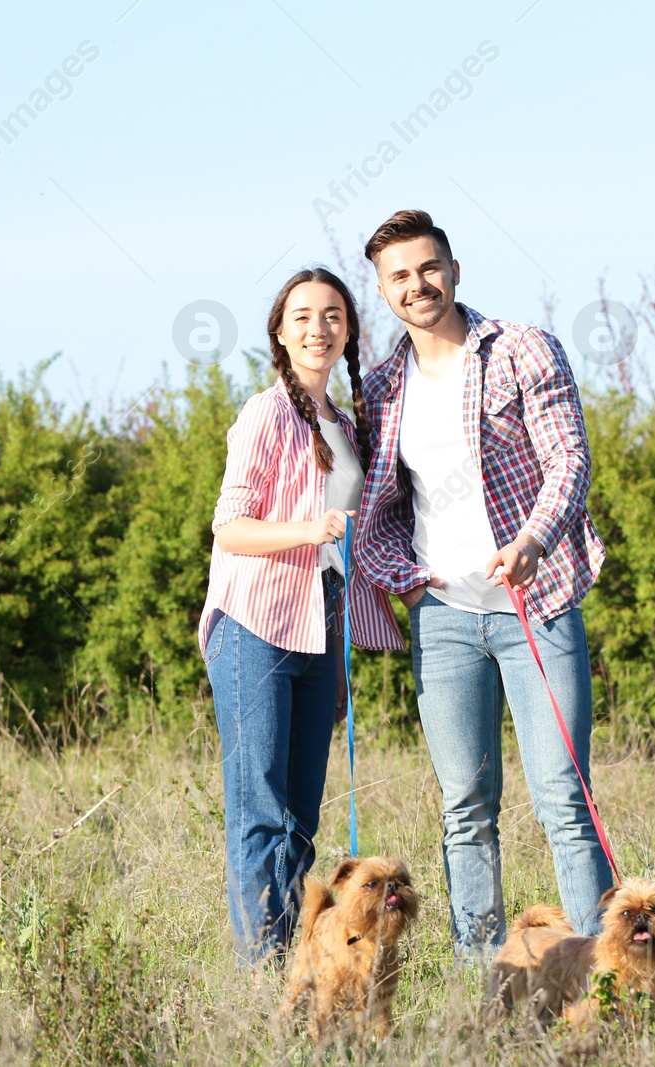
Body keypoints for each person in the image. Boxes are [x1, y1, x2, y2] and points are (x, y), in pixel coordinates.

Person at [355, 209, 611, 960]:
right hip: (444, 618)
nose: (417, 284)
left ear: (455, 269)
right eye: (399, 276)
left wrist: (532, 541)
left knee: (565, 798)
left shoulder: (523, 349)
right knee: (466, 806)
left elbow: (570, 459)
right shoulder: (381, 387)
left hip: (538, 605)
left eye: (428, 267)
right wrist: (404, 580)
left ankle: (597, 980)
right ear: (382, 291)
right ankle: (483, 982)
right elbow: (382, 503)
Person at [200, 266, 404, 965]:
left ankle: (294, 965)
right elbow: (230, 527)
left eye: (333, 315)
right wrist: (309, 528)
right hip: (256, 620)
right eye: (304, 315)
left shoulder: (345, 425)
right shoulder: (265, 412)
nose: (319, 327)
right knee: (261, 809)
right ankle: (260, 976)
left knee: (300, 816)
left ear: (347, 330)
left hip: (324, 621)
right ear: (280, 333)